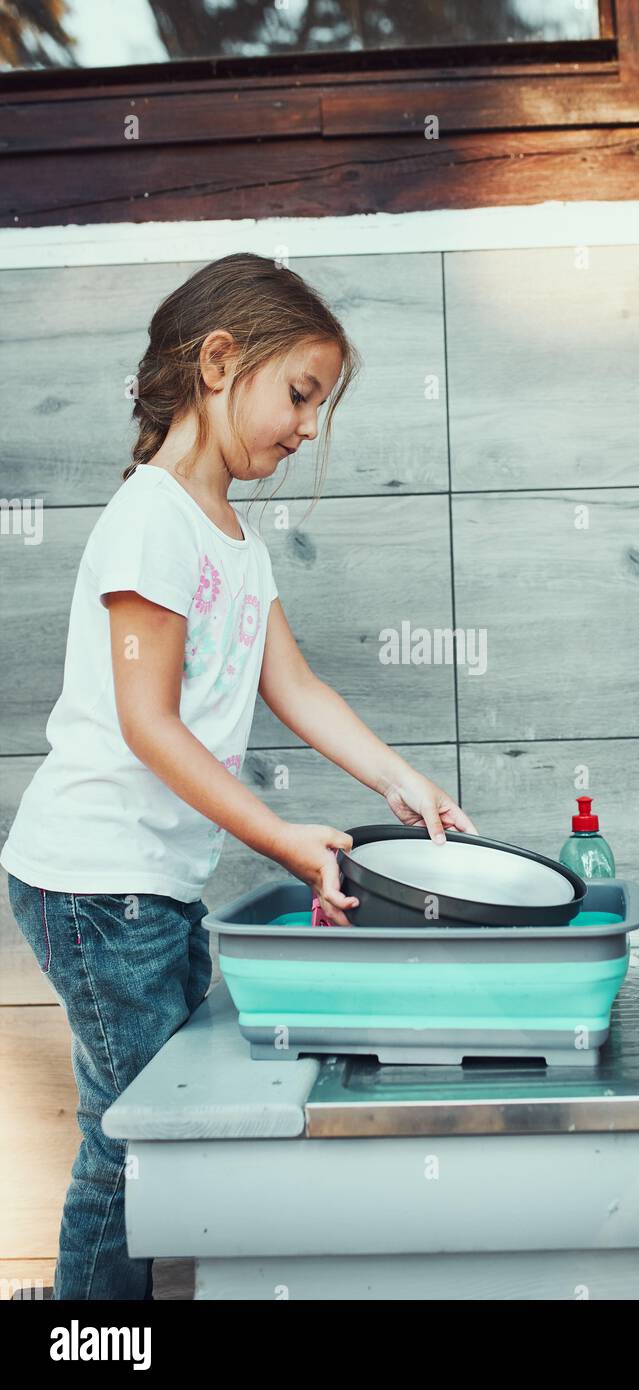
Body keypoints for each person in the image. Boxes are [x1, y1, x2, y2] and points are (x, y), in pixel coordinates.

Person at [2, 252, 478, 1300]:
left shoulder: (232, 537)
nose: (307, 428)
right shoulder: (150, 519)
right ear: (220, 361)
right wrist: (282, 837)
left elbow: (296, 687)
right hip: (91, 881)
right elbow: (148, 725)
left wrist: (402, 782)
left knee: (148, 1126)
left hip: (143, 886)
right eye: (300, 393)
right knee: (136, 1140)